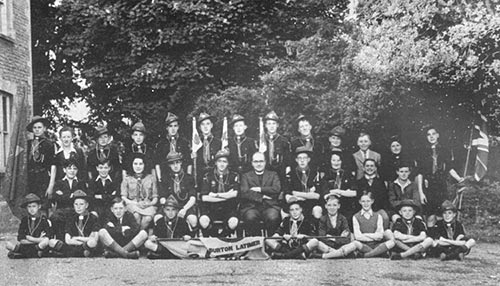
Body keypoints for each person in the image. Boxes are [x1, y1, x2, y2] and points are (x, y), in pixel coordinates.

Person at [416, 126, 464, 225]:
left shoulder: (444, 150)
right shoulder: (423, 151)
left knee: (442, 213)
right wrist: (421, 193)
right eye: (428, 135)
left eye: (433, 134)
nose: (431, 137)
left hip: (441, 186)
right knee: (430, 215)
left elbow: (449, 168)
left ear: (438, 135)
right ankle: (430, 236)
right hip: (428, 186)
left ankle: (442, 236)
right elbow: (420, 173)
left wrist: (459, 179)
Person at [240, 152, 281, 236]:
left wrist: (259, 189)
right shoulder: (246, 176)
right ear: (252, 163)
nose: (259, 164)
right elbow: (245, 192)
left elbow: (276, 189)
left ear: (265, 162)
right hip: (252, 207)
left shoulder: (273, 174)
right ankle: (256, 243)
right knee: (250, 217)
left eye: (261, 161)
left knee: (273, 217)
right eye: (256, 161)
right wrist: (262, 197)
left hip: (270, 206)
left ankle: (271, 244)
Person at [200, 149, 240, 237]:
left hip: (228, 208)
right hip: (211, 208)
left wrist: (215, 195)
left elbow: (234, 194)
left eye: (224, 161)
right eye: (219, 161)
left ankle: (223, 237)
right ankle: (214, 237)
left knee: (233, 222)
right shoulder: (208, 176)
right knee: (203, 221)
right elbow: (204, 198)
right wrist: (226, 196)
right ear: (215, 163)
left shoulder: (234, 175)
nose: (222, 164)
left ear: (228, 163)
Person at [48, 190, 99, 257]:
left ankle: (70, 253)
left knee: (92, 243)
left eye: (81, 204)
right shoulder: (71, 218)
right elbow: (68, 240)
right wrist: (79, 242)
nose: (78, 207)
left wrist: (76, 238)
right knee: (52, 242)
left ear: (86, 205)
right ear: (73, 205)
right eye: (76, 204)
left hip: (86, 244)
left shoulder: (92, 217)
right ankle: (81, 253)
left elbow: (93, 238)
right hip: (77, 245)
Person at [158, 152, 198, 231]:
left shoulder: (188, 178)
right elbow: (162, 198)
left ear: (181, 163)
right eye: (172, 163)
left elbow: (193, 198)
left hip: (184, 206)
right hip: (169, 206)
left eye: (177, 162)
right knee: (158, 218)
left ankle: (190, 238)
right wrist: (169, 210)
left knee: (193, 220)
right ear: (169, 165)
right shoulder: (165, 178)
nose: (175, 166)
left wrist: (184, 209)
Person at [26, 116, 57, 215]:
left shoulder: (49, 144)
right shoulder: (28, 144)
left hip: (43, 178)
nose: (37, 130)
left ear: (44, 128)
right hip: (31, 178)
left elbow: (53, 165)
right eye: (35, 128)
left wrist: (51, 185)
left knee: (43, 205)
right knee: (31, 203)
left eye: (39, 127)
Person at [315, 195, 362, 259]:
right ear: (325, 206)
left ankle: (328, 255)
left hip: (341, 246)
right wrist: (339, 238)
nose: (332, 208)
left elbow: (347, 238)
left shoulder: (343, 219)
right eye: (329, 205)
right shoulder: (323, 219)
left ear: (338, 206)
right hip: (328, 247)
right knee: (318, 243)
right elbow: (322, 237)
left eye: (334, 205)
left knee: (354, 244)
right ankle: (339, 254)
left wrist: (333, 238)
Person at [6, 194, 52, 259]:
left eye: (34, 206)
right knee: (8, 245)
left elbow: (47, 238)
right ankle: (35, 253)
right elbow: (20, 238)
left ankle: (20, 253)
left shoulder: (44, 220)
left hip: (39, 245)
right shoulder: (24, 220)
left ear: (39, 206)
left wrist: (30, 238)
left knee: (45, 242)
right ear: (26, 208)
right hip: (29, 246)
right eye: (29, 207)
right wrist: (38, 240)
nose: (31, 209)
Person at [50, 159, 87, 240]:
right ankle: (60, 242)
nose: (72, 171)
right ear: (64, 170)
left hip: (76, 210)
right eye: (69, 168)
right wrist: (72, 195)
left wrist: (64, 195)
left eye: (75, 169)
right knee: (55, 217)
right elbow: (56, 198)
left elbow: (83, 198)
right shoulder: (59, 183)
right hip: (62, 210)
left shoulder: (81, 183)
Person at [262, 111, 292, 210]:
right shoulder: (260, 141)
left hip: (280, 172)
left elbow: (287, 159)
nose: (271, 126)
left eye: (274, 123)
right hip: (265, 172)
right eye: (269, 123)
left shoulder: (284, 141)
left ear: (277, 125)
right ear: (265, 125)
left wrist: (287, 168)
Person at [121, 153, 158, 230]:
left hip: (147, 204)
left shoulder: (151, 178)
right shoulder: (127, 179)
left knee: (147, 218)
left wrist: (149, 204)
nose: (138, 166)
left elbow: (155, 197)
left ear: (144, 165)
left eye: (141, 164)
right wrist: (135, 203)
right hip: (133, 204)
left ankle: (139, 235)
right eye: (135, 164)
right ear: (132, 165)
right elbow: (123, 197)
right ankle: (138, 237)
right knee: (136, 216)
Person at [353, 191, 395, 258]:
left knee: (391, 243)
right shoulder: (356, 216)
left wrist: (365, 235)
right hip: (363, 245)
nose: (366, 204)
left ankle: (366, 255)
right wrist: (374, 237)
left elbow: (380, 235)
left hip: (376, 244)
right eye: (363, 201)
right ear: (360, 202)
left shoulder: (378, 216)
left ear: (372, 201)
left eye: (368, 201)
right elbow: (358, 236)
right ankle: (379, 252)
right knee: (355, 243)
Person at [320, 151, 357, 227]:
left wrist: (338, 191)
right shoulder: (327, 175)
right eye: (333, 160)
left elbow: (354, 192)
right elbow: (324, 191)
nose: (336, 163)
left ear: (342, 161)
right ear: (330, 161)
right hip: (330, 204)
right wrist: (342, 192)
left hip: (345, 204)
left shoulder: (348, 174)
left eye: (338, 160)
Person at [285, 146, 322, 220]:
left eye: (304, 158)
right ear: (296, 160)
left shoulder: (315, 173)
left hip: (312, 202)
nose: (302, 161)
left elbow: (317, 195)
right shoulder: (291, 174)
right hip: (297, 203)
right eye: (299, 158)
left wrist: (298, 194)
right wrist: (308, 195)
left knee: (317, 210)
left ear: (308, 159)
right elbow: (288, 192)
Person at [155, 112, 192, 181]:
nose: (173, 129)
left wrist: (188, 178)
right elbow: (158, 163)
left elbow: (189, 162)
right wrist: (160, 179)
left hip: (181, 177)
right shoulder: (161, 144)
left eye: (175, 126)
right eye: (170, 126)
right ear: (167, 128)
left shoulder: (184, 142)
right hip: (166, 177)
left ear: (178, 127)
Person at [355, 158, 391, 229]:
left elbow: (384, 198)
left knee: (385, 217)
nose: (369, 168)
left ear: (375, 168)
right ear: (363, 168)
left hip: (377, 209)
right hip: (363, 208)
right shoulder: (358, 182)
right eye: (367, 166)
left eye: (372, 166)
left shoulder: (381, 182)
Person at [194, 112, 222, 187]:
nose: (205, 127)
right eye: (203, 124)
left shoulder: (218, 142)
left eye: (208, 124)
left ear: (212, 125)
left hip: (214, 175)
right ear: (199, 127)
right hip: (200, 174)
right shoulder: (196, 143)